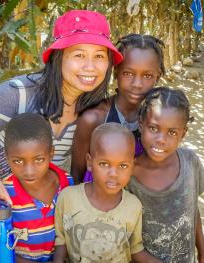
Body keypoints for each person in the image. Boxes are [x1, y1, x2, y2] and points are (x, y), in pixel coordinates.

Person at [0, 10, 123, 262]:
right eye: (79, 55)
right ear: (58, 58)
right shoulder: (16, 94)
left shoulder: (92, 113)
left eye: (99, 56)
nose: (90, 67)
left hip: (40, 215)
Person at [53, 123, 162, 263]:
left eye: (123, 166)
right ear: (90, 162)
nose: (113, 174)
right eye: (104, 164)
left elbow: (135, 249)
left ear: (132, 167)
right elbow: (60, 241)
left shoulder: (133, 206)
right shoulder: (68, 198)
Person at [126, 87, 204, 263]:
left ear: (183, 134)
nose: (161, 139)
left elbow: (193, 209)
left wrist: (203, 253)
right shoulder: (127, 175)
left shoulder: (190, 162)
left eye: (172, 132)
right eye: (154, 128)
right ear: (141, 125)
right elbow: (127, 239)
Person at [71, 33, 165, 183]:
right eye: (128, 73)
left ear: (157, 77)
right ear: (116, 72)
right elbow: (77, 175)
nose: (137, 84)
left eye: (147, 76)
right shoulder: (93, 119)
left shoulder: (156, 119)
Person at [2, 113, 73, 262]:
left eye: (39, 159)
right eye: (18, 161)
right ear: (7, 157)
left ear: (51, 153)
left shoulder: (67, 184)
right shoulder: (3, 195)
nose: (29, 171)